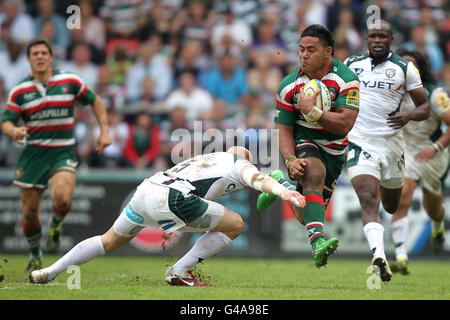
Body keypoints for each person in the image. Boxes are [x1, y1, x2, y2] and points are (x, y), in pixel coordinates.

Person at [29, 146, 306, 286]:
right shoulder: (238, 163)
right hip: (172, 198)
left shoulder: (209, 159)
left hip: (147, 189)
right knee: (236, 224)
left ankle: (48, 272)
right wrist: (285, 193)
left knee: (108, 240)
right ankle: (179, 271)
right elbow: (258, 179)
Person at [1, 38, 111, 271]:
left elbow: (96, 101)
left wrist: (104, 131)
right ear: (29, 59)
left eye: (43, 52)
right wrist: (14, 131)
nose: (40, 56)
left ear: (51, 57)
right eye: (35, 53)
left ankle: (56, 225)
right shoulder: (20, 90)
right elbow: (6, 122)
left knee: (62, 197)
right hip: (33, 154)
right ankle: (35, 254)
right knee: (30, 213)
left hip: (62, 151)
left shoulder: (69, 80)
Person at [257, 24, 360, 268]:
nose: (304, 55)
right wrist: (291, 159)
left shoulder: (346, 80)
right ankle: (318, 245)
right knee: (313, 171)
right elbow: (284, 129)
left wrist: (313, 111)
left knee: (305, 215)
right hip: (304, 142)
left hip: (335, 149)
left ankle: (279, 185)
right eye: (301, 50)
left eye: (311, 50)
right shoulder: (289, 86)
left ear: (328, 52)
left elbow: (345, 123)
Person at [344, 21, 430, 282]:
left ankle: (382, 247)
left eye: (383, 36)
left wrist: (408, 115)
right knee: (369, 198)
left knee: (391, 206)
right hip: (360, 143)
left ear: (391, 39)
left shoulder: (405, 68)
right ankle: (378, 255)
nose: (378, 40)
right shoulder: (350, 64)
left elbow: (424, 106)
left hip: (391, 146)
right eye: (373, 36)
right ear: (366, 39)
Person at [389, 49, 450, 275]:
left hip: (433, 153)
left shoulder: (435, 94)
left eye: (412, 65)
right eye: (402, 65)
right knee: (402, 197)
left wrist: (435, 148)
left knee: (433, 207)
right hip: (406, 152)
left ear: (420, 69)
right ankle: (401, 256)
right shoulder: (391, 92)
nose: (407, 70)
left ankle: (436, 225)